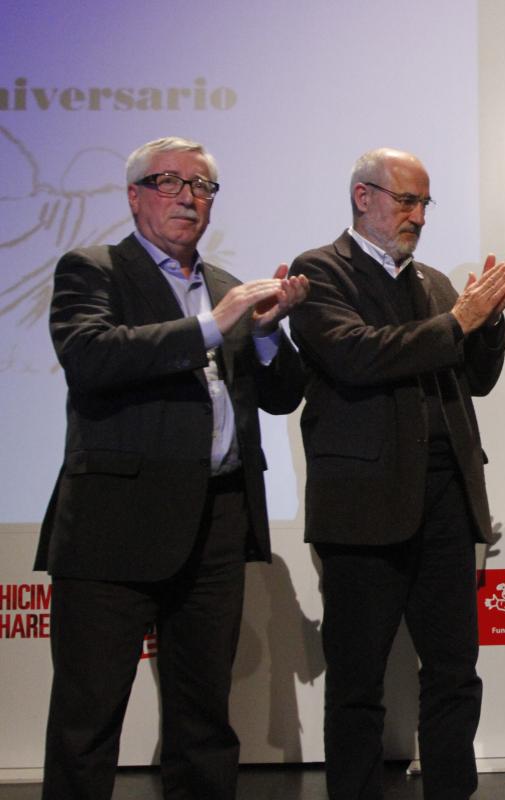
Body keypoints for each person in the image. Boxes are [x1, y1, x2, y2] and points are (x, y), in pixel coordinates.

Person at [36, 135, 309, 799]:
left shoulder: (225, 286)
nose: (189, 198)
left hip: (216, 521)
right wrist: (215, 326)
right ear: (135, 197)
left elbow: (279, 395)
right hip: (112, 528)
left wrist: (269, 330)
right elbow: (92, 357)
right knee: (88, 720)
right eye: (170, 182)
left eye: (203, 187)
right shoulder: (93, 268)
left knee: (204, 722)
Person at [287, 148, 505, 800]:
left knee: (454, 672)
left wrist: (491, 318)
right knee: (359, 682)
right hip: (363, 507)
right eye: (406, 201)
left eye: (424, 204)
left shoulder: (433, 283)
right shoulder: (320, 272)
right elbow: (358, 357)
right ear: (363, 197)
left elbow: (475, 377)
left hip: (447, 502)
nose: (418, 215)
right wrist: (460, 320)